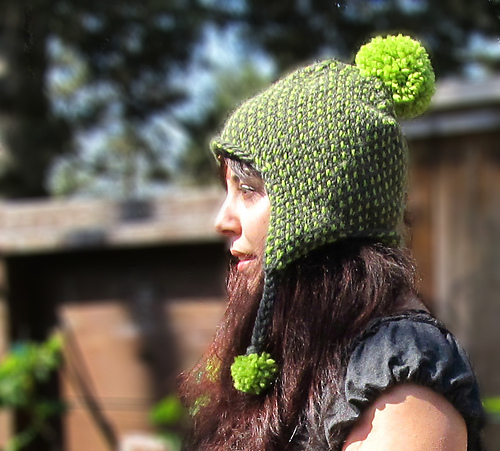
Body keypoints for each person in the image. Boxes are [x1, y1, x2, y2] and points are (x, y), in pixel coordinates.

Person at [178, 35, 485, 450]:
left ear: (320, 210)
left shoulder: (402, 381)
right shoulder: (314, 346)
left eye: (248, 189)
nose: (222, 220)